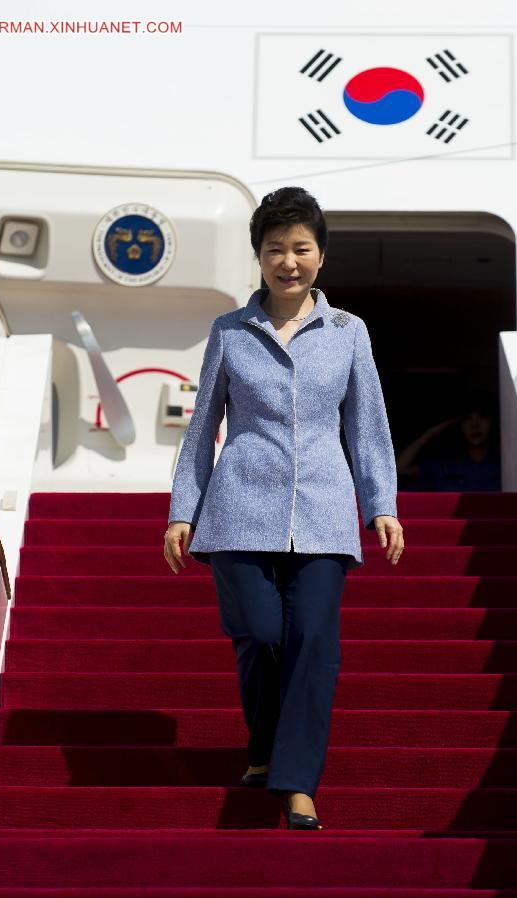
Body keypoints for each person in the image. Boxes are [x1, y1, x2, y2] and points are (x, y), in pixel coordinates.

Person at [164, 186, 404, 830]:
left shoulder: (349, 333)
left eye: (301, 248)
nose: (288, 261)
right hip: (238, 506)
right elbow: (202, 424)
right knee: (261, 634)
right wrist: (183, 508)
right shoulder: (230, 332)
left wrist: (381, 503)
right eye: (275, 249)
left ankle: (296, 782)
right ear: (259, 257)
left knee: (314, 640)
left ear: (320, 256)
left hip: (324, 511)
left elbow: (368, 426)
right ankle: (267, 748)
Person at [396, 393, 501, 491]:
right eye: (467, 419)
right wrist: (431, 432)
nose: (474, 425)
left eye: (482, 417)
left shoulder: (504, 465)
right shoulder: (444, 465)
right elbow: (398, 469)